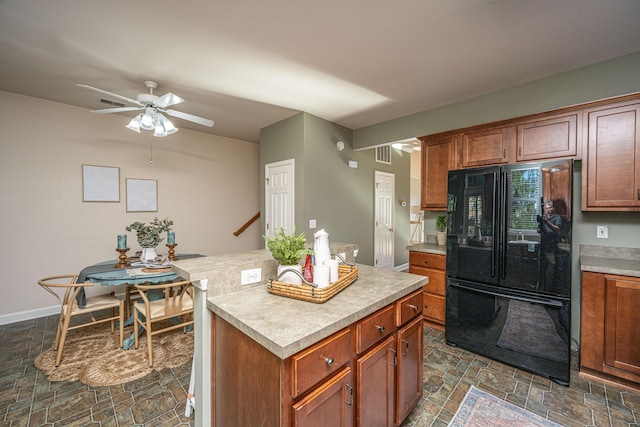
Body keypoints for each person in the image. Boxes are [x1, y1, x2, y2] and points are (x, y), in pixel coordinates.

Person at [537, 199, 562, 292]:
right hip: (542, 246)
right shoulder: (544, 217)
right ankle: (540, 291)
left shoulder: (557, 218)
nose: (548, 210)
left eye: (550, 208)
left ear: (553, 208)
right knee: (541, 270)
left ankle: (549, 292)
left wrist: (547, 222)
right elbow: (539, 229)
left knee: (550, 272)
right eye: (547, 208)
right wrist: (540, 228)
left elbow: (557, 229)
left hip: (551, 248)